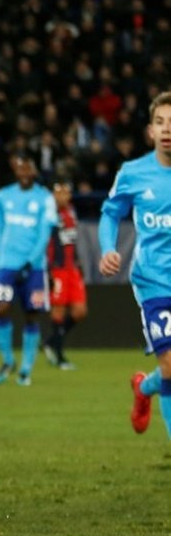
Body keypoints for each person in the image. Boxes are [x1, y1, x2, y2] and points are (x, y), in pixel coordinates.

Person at [98, 91, 171, 439]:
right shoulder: (133, 173)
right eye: (160, 122)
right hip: (153, 280)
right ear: (150, 131)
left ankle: (143, 389)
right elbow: (110, 213)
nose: (167, 128)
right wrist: (107, 249)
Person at [0, 150, 57, 387]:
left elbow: (45, 234)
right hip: (6, 265)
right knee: (1, 309)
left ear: (34, 170)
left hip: (34, 268)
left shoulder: (45, 198)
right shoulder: (3, 196)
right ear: (15, 170)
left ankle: (26, 369)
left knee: (31, 314)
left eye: (28, 167)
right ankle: (8, 361)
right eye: (20, 167)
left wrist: (31, 261)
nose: (24, 172)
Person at [43, 179, 87, 370]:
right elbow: (47, 243)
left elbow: (72, 241)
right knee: (58, 312)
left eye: (66, 192)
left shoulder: (71, 211)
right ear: (52, 195)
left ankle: (50, 342)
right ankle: (59, 356)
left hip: (72, 269)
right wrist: (49, 269)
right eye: (59, 192)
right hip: (57, 268)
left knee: (79, 311)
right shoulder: (48, 214)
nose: (63, 196)